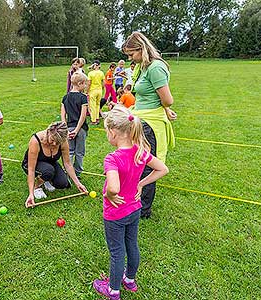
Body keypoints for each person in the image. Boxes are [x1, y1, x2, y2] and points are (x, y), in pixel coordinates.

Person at [92, 105, 169, 300]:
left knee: (117, 252)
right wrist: (141, 184)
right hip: (134, 210)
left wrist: (109, 194)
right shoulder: (140, 152)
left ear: (114, 132)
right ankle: (130, 280)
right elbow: (162, 169)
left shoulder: (112, 158)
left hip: (115, 214)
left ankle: (113, 290)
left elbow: (114, 187)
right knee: (132, 245)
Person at [122, 31, 176, 218]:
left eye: (132, 54)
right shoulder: (141, 67)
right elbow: (144, 94)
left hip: (150, 125)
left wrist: (166, 109)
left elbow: (167, 99)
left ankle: (143, 209)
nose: (131, 59)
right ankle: (133, 198)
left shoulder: (155, 68)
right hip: (139, 120)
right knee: (133, 160)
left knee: (146, 164)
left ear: (142, 49)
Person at [22, 121, 88, 208]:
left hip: (50, 163)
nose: (54, 144)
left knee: (62, 183)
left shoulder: (63, 141)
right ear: (48, 132)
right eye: (52, 140)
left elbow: (67, 164)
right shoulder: (36, 141)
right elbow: (31, 169)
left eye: (57, 143)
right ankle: (37, 187)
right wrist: (31, 194)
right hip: (31, 164)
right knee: (48, 171)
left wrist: (78, 183)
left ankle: (45, 179)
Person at [60, 73, 88, 178]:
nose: (85, 86)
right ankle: (77, 172)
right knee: (79, 152)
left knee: (70, 151)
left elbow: (63, 115)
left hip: (69, 128)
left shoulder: (65, 97)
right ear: (80, 83)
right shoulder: (83, 98)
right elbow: (83, 115)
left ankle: (68, 172)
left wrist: (65, 129)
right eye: (84, 84)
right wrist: (77, 130)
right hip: (80, 129)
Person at [87, 60, 105, 125]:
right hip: (99, 91)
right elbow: (103, 83)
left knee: (92, 106)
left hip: (92, 91)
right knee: (98, 105)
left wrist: (87, 91)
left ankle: (93, 120)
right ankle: (97, 118)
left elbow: (89, 83)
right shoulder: (101, 73)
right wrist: (101, 88)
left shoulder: (90, 73)